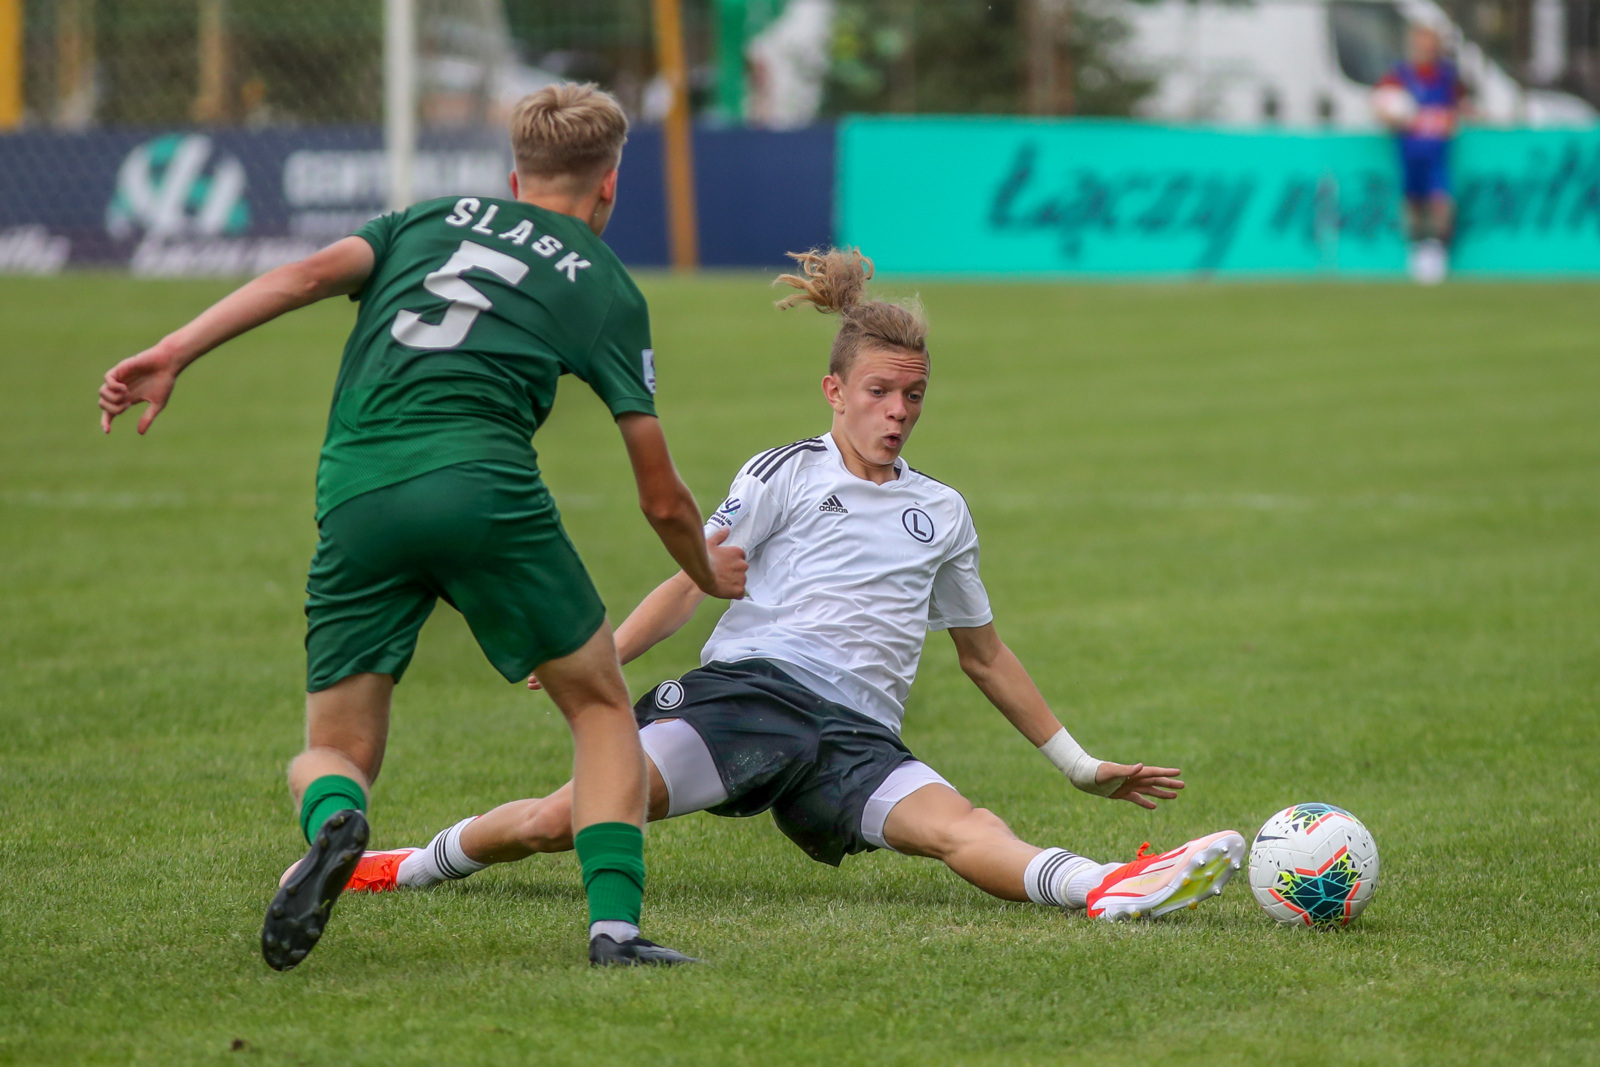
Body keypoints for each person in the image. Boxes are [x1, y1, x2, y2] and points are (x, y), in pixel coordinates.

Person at [331, 248, 1246, 923]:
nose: (898, 412)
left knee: (963, 822)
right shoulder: (786, 473)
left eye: (914, 396)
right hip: (750, 696)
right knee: (562, 819)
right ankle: (409, 864)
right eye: (881, 392)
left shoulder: (944, 511)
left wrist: (1083, 767)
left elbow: (984, 654)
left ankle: (1110, 885)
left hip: (854, 734)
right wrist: (598, 657)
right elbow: (694, 581)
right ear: (834, 389)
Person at [97, 83, 745, 969]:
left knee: (334, 745)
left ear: (515, 175)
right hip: (482, 488)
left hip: (357, 492)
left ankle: (337, 822)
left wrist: (173, 350)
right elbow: (662, 495)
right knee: (598, 706)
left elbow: (303, 277)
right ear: (611, 186)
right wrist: (706, 574)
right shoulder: (603, 284)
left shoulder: (422, 219)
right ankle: (616, 931)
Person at [1375, 24, 1469, 285]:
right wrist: (1388, 115)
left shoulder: (1447, 77)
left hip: (1438, 153)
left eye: (1428, 41)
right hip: (1409, 152)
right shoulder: (1400, 75)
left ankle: (1439, 253)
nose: (1423, 46)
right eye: (1419, 41)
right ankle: (1417, 253)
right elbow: (1379, 103)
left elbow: (1462, 107)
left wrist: (1454, 117)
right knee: (1412, 203)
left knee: (1441, 203)